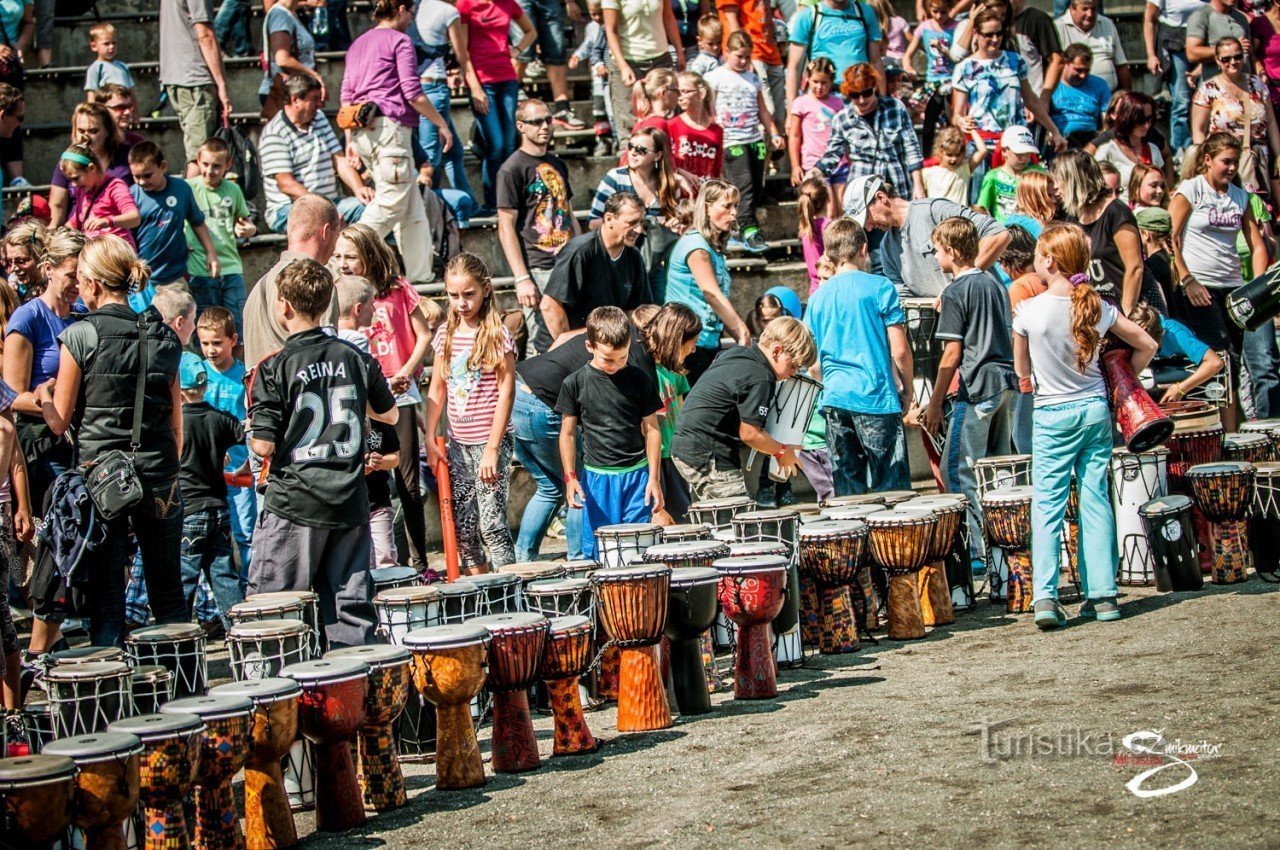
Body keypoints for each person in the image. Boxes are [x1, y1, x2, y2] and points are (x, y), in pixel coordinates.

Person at [35, 235, 186, 648]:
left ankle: (112, 704)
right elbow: (177, 427)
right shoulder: (165, 336)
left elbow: (59, 421)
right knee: (169, 596)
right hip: (161, 473)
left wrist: (44, 396)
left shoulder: (81, 335)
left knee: (108, 602)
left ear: (94, 284)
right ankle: (189, 692)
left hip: (102, 478)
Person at [1012, 223, 1159, 629]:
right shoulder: (1098, 307)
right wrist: (1123, 381)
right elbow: (1148, 344)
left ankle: (1045, 596)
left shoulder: (1027, 312)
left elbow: (1022, 372)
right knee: (1095, 500)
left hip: (1051, 413)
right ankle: (1104, 596)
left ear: (1050, 261)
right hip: (1094, 408)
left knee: (1047, 505)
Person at [247, 258, 397, 649]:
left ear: (283, 306)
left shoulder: (273, 367)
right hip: (348, 501)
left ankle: (282, 706)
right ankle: (351, 705)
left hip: (295, 503)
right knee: (350, 615)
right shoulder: (357, 358)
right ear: (328, 301)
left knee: (274, 613)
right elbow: (391, 413)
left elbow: (262, 444)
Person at [332, 223, 438, 574]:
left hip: (399, 391)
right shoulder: (338, 294)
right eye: (339, 256)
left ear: (369, 254)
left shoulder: (397, 289)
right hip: (358, 396)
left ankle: (418, 561)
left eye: (351, 256)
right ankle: (377, 559)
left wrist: (408, 370)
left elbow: (424, 334)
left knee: (407, 478)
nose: (344, 263)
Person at [919, 217, 1019, 576]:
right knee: (999, 470)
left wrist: (933, 403)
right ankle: (1009, 545)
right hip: (1006, 383)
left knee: (958, 470)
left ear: (952, 251)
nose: (935, 258)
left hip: (976, 389)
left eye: (936, 250)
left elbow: (951, 355)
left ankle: (977, 550)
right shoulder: (993, 283)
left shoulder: (955, 292)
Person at [4, 227, 81, 674]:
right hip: (40, 446)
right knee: (53, 551)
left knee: (70, 552)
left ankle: (53, 641)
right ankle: (38, 652)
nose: (76, 283)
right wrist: (51, 400)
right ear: (48, 269)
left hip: (76, 445)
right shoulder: (28, 320)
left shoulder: (81, 315)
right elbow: (9, 394)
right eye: (71, 274)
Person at [341, 0, 452, 284]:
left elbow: (346, 95)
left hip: (364, 130)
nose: (413, 19)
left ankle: (421, 276)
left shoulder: (358, 44)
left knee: (411, 209)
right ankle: (342, 256)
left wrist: (350, 140)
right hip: (391, 130)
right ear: (402, 9)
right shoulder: (400, 41)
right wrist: (441, 123)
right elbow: (413, 92)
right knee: (391, 203)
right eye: (412, 13)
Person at [1170, 134, 1275, 424]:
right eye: (1225, 161)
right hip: (1199, 286)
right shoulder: (1191, 190)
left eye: (1234, 162)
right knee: (1220, 358)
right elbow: (1170, 236)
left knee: (1236, 359)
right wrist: (1187, 279)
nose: (1231, 168)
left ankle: (1236, 425)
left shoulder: (1239, 196)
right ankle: (1224, 429)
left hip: (1233, 289)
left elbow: (1257, 245)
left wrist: (1258, 286)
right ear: (1207, 160)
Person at [803, 218, 912, 494]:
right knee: (893, 492)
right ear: (864, 249)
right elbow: (900, 350)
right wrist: (908, 390)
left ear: (830, 255)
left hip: (835, 400)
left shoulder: (817, 297)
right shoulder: (880, 287)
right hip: (876, 397)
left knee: (847, 490)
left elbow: (813, 365)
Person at [424, 253, 518, 573]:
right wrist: (430, 436)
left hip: (490, 441)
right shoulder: (446, 336)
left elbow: (507, 390)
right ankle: (480, 591)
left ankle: (508, 587)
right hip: (458, 444)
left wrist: (492, 447)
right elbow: (437, 390)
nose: (461, 303)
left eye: (469, 294)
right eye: (453, 296)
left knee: (492, 524)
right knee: (465, 528)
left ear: (485, 290)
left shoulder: (495, 335)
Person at [558, 306, 664, 556]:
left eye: (623, 357)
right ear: (589, 347)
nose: (615, 365)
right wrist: (570, 476)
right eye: (607, 359)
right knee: (598, 552)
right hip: (597, 480)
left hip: (637, 477)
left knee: (637, 551)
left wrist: (654, 478)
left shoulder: (641, 380)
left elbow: (653, 430)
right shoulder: (574, 383)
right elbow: (568, 434)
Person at [950, 7, 1068, 193]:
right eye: (989, 34)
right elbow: (956, 115)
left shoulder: (1015, 61)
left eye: (999, 33)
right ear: (976, 34)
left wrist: (1054, 130)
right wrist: (961, 121)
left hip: (1015, 144)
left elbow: (1031, 101)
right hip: (982, 146)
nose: (995, 39)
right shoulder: (965, 68)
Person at [496, 98, 579, 356]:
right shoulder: (511, 169)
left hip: (567, 259)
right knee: (541, 339)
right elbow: (505, 226)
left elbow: (569, 213)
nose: (544, 126)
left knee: (570, 330)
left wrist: (583, 252)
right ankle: (531, 395)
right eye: (536, 122)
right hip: (538, 264)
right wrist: (521, 278)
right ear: (521, 126)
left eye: (548, 120)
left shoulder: (557, 163)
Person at [844, 173, 1011, 297]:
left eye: (867, 217)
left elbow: (999, 234)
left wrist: (959, 286)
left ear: (881, 197)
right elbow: (904, 299)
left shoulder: (934, 211)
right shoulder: (887, 249)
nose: (869, 227)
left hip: (987, 322)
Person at [175, 352, 245, 631]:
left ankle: (178, 638)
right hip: (219, 508)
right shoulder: (220, 419)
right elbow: (245, 432)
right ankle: (241, 635)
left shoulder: (177, 425)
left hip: (189, 510)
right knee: (224, 575)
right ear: (205, 387)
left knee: (184, 578)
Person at [664, 179, 752, 382]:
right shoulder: (696, 246)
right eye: (727, 206)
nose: (734, 213)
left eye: (736, 206)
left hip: (707, 340)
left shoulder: (714, 249)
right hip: (687, 342)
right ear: (707, 207)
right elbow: (711, 294)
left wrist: (741, 336)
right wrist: (741, 330)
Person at [259, 75, 371, 234]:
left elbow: (339, 159)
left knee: (371, 209)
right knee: (321, 224)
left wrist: (359, 188)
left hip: (329, 203)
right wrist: (323, 210)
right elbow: (286, 184)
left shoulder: (319, 118)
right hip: (289, 208)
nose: (320, 104)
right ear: (295, 100)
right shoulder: (274, 133)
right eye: (315, 99)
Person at [243, 195, 342, 371]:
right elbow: (327, 361)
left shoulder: (257, 288)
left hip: (260, 395)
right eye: (337, 234)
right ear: (326, 232)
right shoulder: (316, 282)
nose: (336, 246)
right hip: (302, 394)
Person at [540, 192, 649, 350]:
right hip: (561, 347)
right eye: (632, 222)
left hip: (604, 348)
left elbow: (636, 311)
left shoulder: (634, 257)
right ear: (609, 218)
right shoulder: (580, 251)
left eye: (641, 222)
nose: (639, 229)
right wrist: (568, 352)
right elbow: (550, 306)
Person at [707, 31, 784, 253]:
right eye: (739, 56)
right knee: (745, 184)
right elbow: (710, 109)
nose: (743, 61)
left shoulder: (753, 78)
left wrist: (774, 133)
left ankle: (738, 227)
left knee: (757, 185)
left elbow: (762, 110)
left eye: (747, 57)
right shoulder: (716, 76)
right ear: (727, 52)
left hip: (754, 138)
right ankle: (749, 230)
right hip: (731, 140)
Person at [457, 0, 536, 210]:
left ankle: (510, 199)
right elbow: (462, 52)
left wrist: (517, 50)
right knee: (496, 144)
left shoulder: (508, 3)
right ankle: (492, 202)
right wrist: (474, 88)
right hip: (482, 81)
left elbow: (531, 31)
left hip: (507, 78)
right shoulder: (466, 4)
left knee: (510, 143)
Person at [195, 307, 256, 580]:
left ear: (233, 339)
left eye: (217, 343)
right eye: (205, 343)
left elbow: (252, 421)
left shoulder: (245, 376)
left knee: (245, 530)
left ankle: (249, 585)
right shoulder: (196, 376)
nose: (210, 350)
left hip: (239, 469)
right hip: (207, 470)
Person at [813, 62, 925, 203]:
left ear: (874, 88)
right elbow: (832, 155)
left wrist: (918, 185)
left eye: (866, 93)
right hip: (863, 193)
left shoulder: (895, 108)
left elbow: (912, 148)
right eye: (855, 95)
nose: (861, 100)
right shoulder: (842, 119)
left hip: (899, 188)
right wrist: (816, 171)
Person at [1050, 151, 1147, 312]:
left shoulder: (1116, 212)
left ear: (1074, 179)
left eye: (1059, 179)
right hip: (1096, 311)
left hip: (1124, 311)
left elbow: (1135, 267)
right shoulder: (1073, 217)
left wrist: (1127, 312)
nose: (1055, 186)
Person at [1191, 37, 1280, 198]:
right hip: (1224, 160)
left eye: (1238, 56)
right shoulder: (1208, 89)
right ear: (1218, 60)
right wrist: (1206, 161)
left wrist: (1278, 154)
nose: (1233, 62)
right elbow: (1198, 130)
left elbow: (1272, 122)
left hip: (1258, 157)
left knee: (1260, 208)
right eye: (1226, 59)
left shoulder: (1257, 84)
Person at [185, 137, 255, 335]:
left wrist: (249, 230)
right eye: (205, 164)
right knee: (206, 331)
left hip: (231, 267)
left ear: (228, 164)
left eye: (216, 166)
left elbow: (245, 221)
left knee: (238, 329)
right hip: (200, 269)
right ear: (198, 160)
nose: (209, 171)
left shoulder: (233, 189)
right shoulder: (188, 189)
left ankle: (240, 366)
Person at [639, 302, 702, 521]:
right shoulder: (644, 369)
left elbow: (683, 410)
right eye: (692, 343)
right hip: (653, 456)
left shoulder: (674, 368)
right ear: (676, 340)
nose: (694, 350)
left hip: (673, 453)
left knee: (683, 516)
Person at [128, 142, 218, 294]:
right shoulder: (132, 194)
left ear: (163, 166)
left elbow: (197, 222)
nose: (142, 182)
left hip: (174, 277)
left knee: (179, 315)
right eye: (136, 177)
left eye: (147, 175)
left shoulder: (181, 189)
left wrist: (211, 253)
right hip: (141, 278)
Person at [412, 0, 479, 202]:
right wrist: (473, 85)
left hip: (416, 85)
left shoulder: (413, 7)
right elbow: (462, 55)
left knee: (454, 151)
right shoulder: (448, 11)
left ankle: (469, 203)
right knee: (430, 156)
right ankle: (428, 208)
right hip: (434, 86)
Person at [159, 0, 234, 170]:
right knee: (201, 158)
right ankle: (189, 197)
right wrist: (222, 85)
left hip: (178, 76)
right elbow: (205, 36)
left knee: (198, 156)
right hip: (196, 80)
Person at [602, 0, 684, 140]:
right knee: (629, 124)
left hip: (660, 59)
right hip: (629, 62)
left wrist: (679, 51)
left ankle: (668, 160)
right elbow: (611, 30)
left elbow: (668, 17)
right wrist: (623, 66)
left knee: (670, 118)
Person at [48, 103, 135, 230]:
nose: (85, 137)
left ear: (107, 131)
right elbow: (57, 205)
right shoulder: (68, 161)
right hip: (80, 234)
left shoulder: (127, 156)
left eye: (93, 131)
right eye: (81, 131)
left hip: (117, 234)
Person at [785, 0, 884, 106]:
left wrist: (883, 99)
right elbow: (794, 68)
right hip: (823, 97)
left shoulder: (865, 12)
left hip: (860, 95)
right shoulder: (809, 16)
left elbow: (876, 61)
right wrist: (792, 109)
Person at [1130, 301, 1227, 404]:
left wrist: (1180, 389)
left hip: (1186, 383)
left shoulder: (1177, 335)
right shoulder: (1129, 335)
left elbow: (1215, 363)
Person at [1000, 223, 1041, 452]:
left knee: (1025, 441)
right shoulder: (1047, 282)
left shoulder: (1019, 288)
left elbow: (1016, 338)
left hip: (1030, 380)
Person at [1144, 0, 1205, 154]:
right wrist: (1151, 55)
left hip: (1204, 42)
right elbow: (1149, 20)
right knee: (1181, 100)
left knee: (1207, 99)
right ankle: (1181, 153)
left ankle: (1206, 150)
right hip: (1175, 43)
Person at [902, 0, 958, 157]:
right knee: (926, 119)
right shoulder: (925, 27)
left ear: (950, 9)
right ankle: (926, 155)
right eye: (935, 12)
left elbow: (959, 57)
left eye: (944, 12)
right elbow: (908, 54)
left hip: (950, 81)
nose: (939, 16)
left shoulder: (956, 27)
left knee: (951, 121)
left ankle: (952, 153)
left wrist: (943, 50)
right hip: (932, 81)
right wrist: (908, 67)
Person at [718, 0, 786, 125]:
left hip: (772, 52)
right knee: (767, 112)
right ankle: (761, 143)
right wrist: (745, 58)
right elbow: (730, 18)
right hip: (751, 54)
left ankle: (776, 143)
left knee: (780, 116)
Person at [61, 144, 140, 245]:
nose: (74, 184)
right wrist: (62, 232)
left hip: (116, 251)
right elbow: (79, 218)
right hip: (95, 252)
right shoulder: (83, 190)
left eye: (76, 178)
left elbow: (134, 218)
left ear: (92, 168)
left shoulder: (114, 186)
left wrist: (107, 221)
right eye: (70, 180)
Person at [1091, 90, 1171, 190]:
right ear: (1127, 118)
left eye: (1149, 119)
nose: (1146, 125)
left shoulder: (1153, 150)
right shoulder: (1107, 151)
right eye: (1141, 120)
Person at [788, 58, 843, 203]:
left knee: (841, 206)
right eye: (815, 82)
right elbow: (794, 136)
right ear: (808, 79)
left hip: (839, 163)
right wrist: (795, 166)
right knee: (825, 209)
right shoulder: (801, 103)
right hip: (813, 162)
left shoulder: (838, 103)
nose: (819, 87)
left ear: (831, 82)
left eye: (824, 82)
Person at [259, 0, 324, 118]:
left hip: (299, 91)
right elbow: (282, 59)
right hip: (285, 93)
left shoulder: (290, 13)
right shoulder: (280, 15)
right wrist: (314, 76)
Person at [1054, 0, 1130, 91]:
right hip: (1073, 97)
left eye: (1093, 9)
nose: (1090, 14)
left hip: (1109, 96)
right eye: (1085, 9)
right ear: (1072, 9)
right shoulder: (1057, 28)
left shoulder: (1107, 24)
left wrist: (1126, 93)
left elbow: (1121, 65)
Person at [976, 125, 1047, 221]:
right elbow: (982, 209)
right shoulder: (992, 177)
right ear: (1004, 151)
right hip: (1004, 231)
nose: (1025, 158)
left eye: (1028, 153)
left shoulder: (1038, 173)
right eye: (1019, 154)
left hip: (1032, 229)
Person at [1051, 43, 1111, 146]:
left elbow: (1107, 120)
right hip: (1060, 139)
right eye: (1078, 70)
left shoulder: (1100, 85)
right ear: (1066, 64)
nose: (1083, 75)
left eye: (1086, 70)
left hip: (1091, 139)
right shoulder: (1052, 85)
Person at [669, 71, 724, 181]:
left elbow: (717, 172)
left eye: (685, 92)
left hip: (705, 193)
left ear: (701, 94)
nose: (680, 97)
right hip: (681, 193)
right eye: (678, 93)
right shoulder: (672, 125)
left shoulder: (716, 130)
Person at [1186, 0, 1249, 85]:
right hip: (1218, 88)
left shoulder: (1241, 18)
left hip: (1246, 85)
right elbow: (1192, 53)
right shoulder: (1201, 16)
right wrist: (1230, 50)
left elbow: (1250, 53)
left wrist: (1260, 72)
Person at [921, 124, 988, 205]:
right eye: (949, 155)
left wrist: (971, 129)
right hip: (937, 216)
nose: (954, 159)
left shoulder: (964, 169)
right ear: (941, 152)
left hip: (958, 216)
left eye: (957, 155)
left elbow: (983, 150)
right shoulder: (927, 172)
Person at [798, 177, 832, 293]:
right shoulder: (829, 227)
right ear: (828, 198)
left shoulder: (805, 227)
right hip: (830, 288)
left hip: (815, 290)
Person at [1002, 169, 1058, 238]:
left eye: (1054, 196)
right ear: (1034, 196)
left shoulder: (1012, 220)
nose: (1054, 200)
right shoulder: (1035, 227)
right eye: (1049, 195)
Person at [84, 22, 135, 98]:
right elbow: (91, 94)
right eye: (106, 44)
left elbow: (131, 92)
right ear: (94, 46)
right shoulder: (95, 68)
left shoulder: (122, 66)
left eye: (114, 43)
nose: (111, 47)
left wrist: (135, 109)